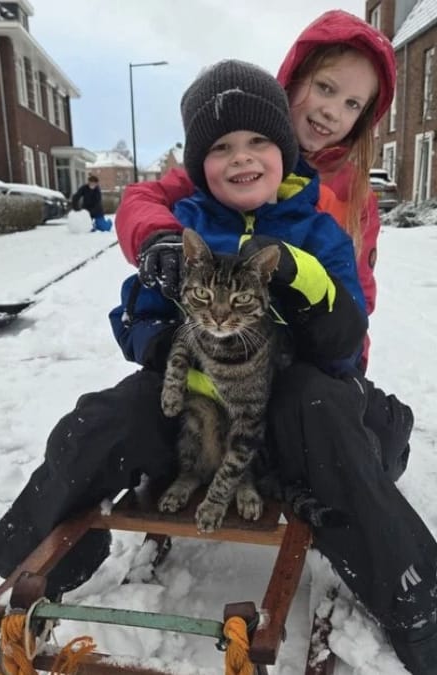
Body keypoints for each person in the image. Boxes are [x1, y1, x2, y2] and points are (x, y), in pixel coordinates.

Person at [0, 56, 437, 673]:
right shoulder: (188, 223)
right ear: (200, 165)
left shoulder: (319, 227)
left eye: (258, 142)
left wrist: (311, 291)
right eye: (221, 147)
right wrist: (163, 335)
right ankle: (31, 562)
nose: (242, 157)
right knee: (103, 418)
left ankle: (416, 599)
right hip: (194, 416)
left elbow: (346, 344)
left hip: (286, 421)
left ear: (283, 149)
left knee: (321, 405)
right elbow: (136, 318)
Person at [117, 10, 413, 479]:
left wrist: (339, 357)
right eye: (325, 87)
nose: (333, 112)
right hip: (228, 356)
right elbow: (143, 200)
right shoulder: (230, 159)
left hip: (313, 358)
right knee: (129, 416)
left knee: (371, 441)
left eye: (355, 104)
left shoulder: (354, 194)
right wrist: (159, 239)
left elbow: (358, 300)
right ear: (292, 82)